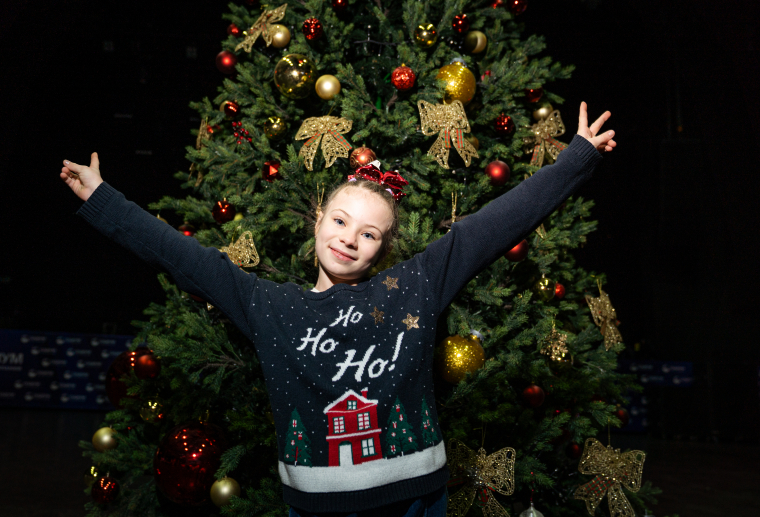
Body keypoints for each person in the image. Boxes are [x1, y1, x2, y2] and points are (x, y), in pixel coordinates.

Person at [60, 102, 615, 517]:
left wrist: (576, 159)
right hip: (317, 507)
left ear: (383, 250)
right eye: (341, 221)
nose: (350, 238)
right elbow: (183, 257)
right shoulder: (268, 303)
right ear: (318, 220)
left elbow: (493, 226)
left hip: (416, 500)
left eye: (369, 233)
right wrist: (104, 199)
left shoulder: (413, 286)